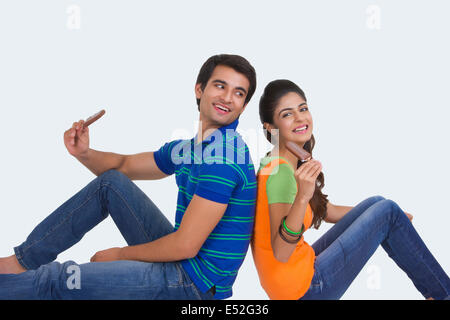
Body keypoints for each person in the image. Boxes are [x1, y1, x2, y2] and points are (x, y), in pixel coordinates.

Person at [0, 54, 257, 300]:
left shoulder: (224, 156)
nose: (227, 98)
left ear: (244, 106)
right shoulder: (189, 149)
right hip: (184, 263)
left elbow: (185, 246)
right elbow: (125, 165)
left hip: (193, 285)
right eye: (220, 86)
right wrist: (84, 153)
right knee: (111, 184)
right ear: (199, 89)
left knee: (60, 280)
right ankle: (23, 262)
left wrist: (120, 254)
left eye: (238, 93)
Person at [251, 79, 450, 300]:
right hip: (304, 291)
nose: (300, 118)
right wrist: (301, 198)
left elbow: (327, 211)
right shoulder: (280, 174)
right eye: (287, 114)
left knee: (377, 203)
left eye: (303, 108)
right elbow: (281, 252)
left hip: (297, 274)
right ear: (271, 128)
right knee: (387, 211)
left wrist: (384, 222)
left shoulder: (283, 162)